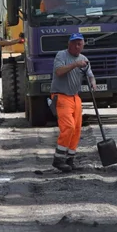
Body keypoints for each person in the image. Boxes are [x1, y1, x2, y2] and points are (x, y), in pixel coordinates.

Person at [50, 33, 93, 172]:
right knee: (68, 127)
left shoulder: (84, 59)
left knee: (76, 130)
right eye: (74, 43)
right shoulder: (61, 55)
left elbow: (90, 75)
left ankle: (70, 159)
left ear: (83, 45)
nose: (76, 46)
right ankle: (58, 159)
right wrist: (75, 64)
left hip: (75, 98)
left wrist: (93, 82)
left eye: (79, 44)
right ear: (69, 44)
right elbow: (59, 72)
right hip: (61, 96)